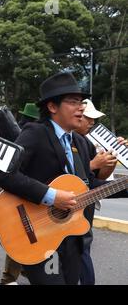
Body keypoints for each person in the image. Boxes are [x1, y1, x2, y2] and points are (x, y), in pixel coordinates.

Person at [0, 72, 128, 285]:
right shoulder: (35, 133)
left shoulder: (81, 143)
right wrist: (51, 196)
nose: (81, 107)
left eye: (81, 102)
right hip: (38, 234)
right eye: (73, 102)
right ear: (52, 107)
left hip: (71, 238)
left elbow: (89, 186)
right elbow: (2, 173)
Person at [75, 99, 127, 285]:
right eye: (88, 118)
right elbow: (68, 176)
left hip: (84, 208)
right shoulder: (66, 139)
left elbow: (97, 179)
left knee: (82, 251)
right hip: (65, 209)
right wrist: (94, 163)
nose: (92, 122)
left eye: (93, 119)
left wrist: (111, 158)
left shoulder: (88, 143)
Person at [0, 102, 39, 285]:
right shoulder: (30, 136)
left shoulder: (15, 132)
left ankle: (16, 274)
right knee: (22, 238)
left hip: (14, 194)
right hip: (24, 193)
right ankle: (10, 277)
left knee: (21, 237)